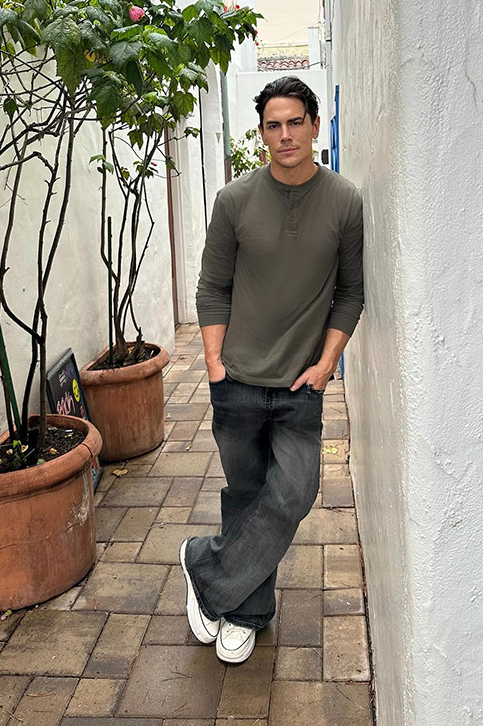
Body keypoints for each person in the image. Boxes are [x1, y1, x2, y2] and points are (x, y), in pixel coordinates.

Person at [179, 75, 364, 664]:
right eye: (272, 125)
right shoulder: (234, 201)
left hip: (299, 385)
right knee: (247, 493)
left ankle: (205, 566)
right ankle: (247, 611)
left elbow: (351, 294)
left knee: (294, 490)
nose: (284, 135)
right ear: (261, 133)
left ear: (314, 125)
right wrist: (213, 364)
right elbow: (213, 288)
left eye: (294, 122)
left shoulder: (345, 201)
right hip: (235, 380)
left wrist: (327, 361)